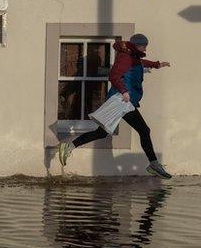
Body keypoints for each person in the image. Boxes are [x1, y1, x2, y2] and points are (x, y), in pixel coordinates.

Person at [57, 33, 173, 179]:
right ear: (136, 44)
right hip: (122, 101)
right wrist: (124, 91)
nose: (145, 47)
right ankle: (154, 164)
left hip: (124, 101)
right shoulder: (126, 57)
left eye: (146, 45)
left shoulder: (133, 56)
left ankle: (69, 146)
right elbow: (113, 75)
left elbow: (140, 63)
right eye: (143, 44)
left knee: (102, 132)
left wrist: (157, 65)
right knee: (144, 130)